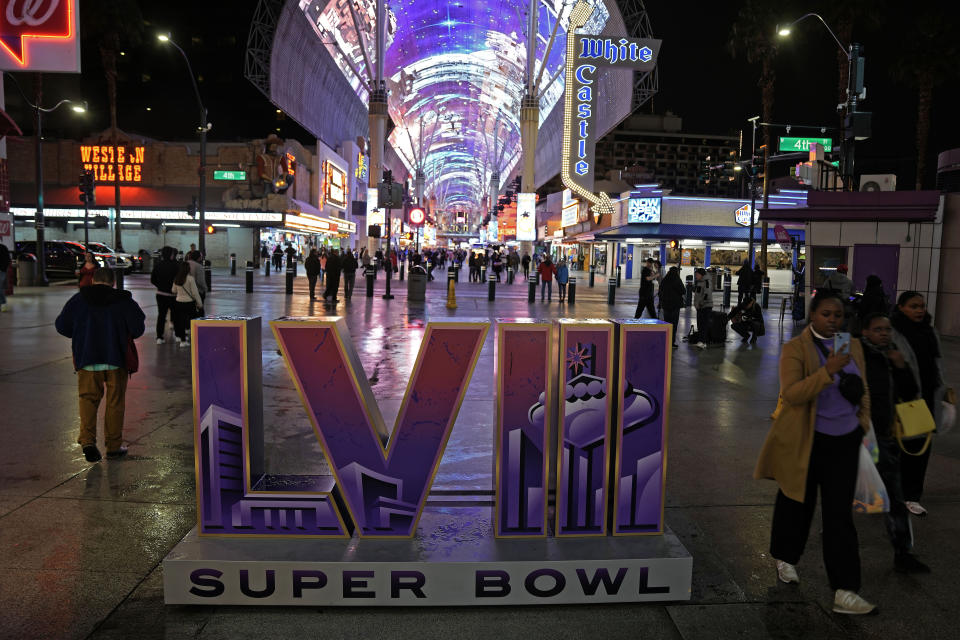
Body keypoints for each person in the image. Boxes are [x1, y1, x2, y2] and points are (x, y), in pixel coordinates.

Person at [755, 290, 875, 615]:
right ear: (813, 315)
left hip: (844, 440)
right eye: (826, 314)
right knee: (797, 503)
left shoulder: (852, 346)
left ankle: (845, 590)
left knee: (838, 517)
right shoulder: (795, 349)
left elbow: (863, 388)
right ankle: (785, 557)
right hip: (807, 440)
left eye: (838, 315)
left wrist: (862, 423)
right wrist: (828, 371)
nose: (833, 320)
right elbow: (792, 393)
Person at [859, 312, 930, 573]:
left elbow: (911, 392)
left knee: (894, 496)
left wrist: (901, 366)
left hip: (884, 438)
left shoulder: (892, 355)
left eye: (887, 330)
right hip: (857, 436)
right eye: (878, 330)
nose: (884, 334)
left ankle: (903, 552)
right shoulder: (856, 353)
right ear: (865, 332)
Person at [55, 267, 145, 462]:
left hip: (87, 360)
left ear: (93, 280)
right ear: (113, 282)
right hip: (116, 360)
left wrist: (81, 333)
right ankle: (113, 447)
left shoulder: (78, 300)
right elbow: (138, 328)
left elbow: (62, 326)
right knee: (115, 403)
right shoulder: (123, 300)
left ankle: (87, 441)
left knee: (87, 400)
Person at [890, 291, 946, 517]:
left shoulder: (930, 331)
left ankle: (911, 496)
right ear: (901, 307)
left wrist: (941, 388)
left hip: (926, 398)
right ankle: (894, 494)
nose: (919, 310)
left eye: (921, 306)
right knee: (900, 450)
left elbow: (937, 361)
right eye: (913, 306)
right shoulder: (892, 332)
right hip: (903, 400)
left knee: (919, 451)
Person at [150, 246, 179, 344]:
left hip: (160, 294)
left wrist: (160, 285)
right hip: (173, 295)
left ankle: (159, 337)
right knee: (175, 315)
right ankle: (178, 335)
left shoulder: (158, 265)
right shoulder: (176, 265)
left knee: (161, 316)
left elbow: (152, 280)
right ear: (171, 254)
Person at [172, 261, 203, 347]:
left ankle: (183, 340)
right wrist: (199, 303)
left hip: (179, 302)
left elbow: (173, 290)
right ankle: (194, 338)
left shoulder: (177, 278)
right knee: (193, 321)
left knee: (180, 321)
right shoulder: (190, 279)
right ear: (188, 269)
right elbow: (195, 293)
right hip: (189, 303)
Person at [659, 266, 686, 348]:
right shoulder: (677, 280)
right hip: (675, 306)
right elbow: (683, 291)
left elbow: (660, 292)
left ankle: (666, 341)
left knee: (667, 324)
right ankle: (671, 342)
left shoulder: (664, 280)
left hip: (666, 305)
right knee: (674, 325)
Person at [691, 268, 713, 349]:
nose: (696, 276)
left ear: (701, 274)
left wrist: (700, 303)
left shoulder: (707, 282)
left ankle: (703, 342)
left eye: (697, 274)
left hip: (705, 307)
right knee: (700, 325)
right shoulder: (700, 282)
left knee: (704, 325)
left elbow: (707, 295)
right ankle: (701, 341)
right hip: (700, 307)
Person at [0, 242, 9, 311]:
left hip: (1, 271)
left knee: (0, 288)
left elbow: (7, 259)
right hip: (2, 270)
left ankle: (3, 303)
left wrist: (3, 269)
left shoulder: (3, 248)